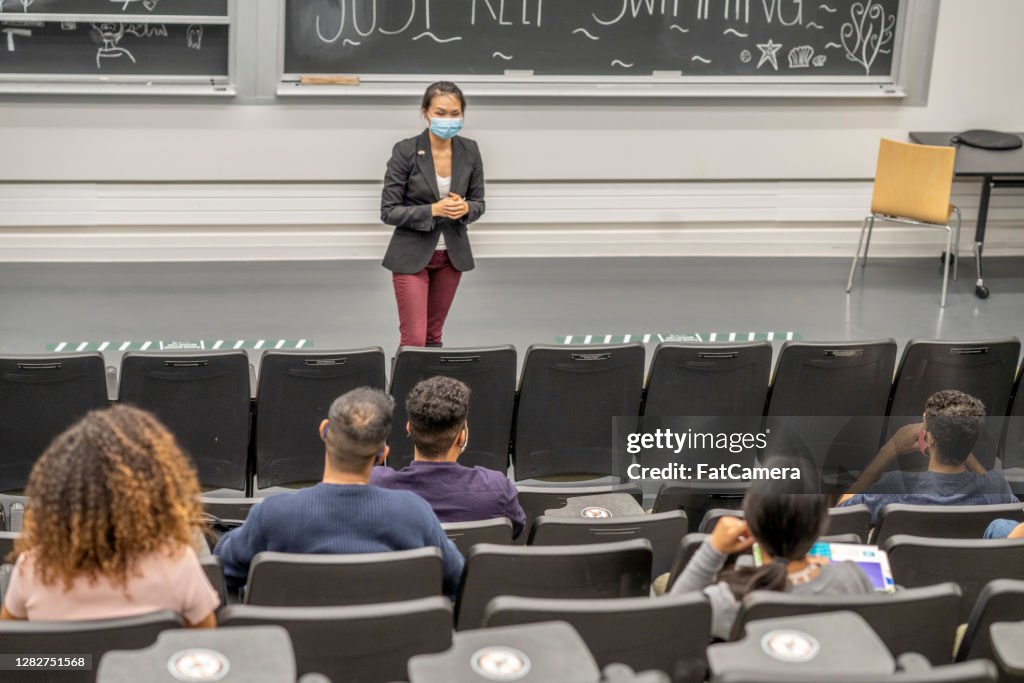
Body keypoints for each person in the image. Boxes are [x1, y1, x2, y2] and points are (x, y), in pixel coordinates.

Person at [214, 387, 464, 599]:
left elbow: (223, 567)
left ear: (324, 431)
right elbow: (457, 580)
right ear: (382, 455)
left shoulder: (273, 515)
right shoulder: (414, 513)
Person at [1, 406, 218, 626]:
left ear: (60, 496)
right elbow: (204, 648)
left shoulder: (32, 569)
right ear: (156, 490)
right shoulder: (179, 565)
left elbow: (10, 647)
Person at [670, 477, 873, 640]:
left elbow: (669, 621)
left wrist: (713, 549)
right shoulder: (852, 578)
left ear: (750, 522)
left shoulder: (728, 598)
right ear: (821, 525)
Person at [381, 80, 485, 348]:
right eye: (440, 113)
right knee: (414, 339)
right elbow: (389, 211)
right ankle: (405, 391)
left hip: (451, 257)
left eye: (454, 113)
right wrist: (433, 210)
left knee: (433, 337)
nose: (448, 119)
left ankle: (432, 391)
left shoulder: (470, 150)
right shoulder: (405, 150)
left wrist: (466, 208)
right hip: (411, 257)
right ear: (425, 112)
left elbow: (478, 203)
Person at [371, 376, 526, 538]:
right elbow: (516, 531)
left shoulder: (376, 486)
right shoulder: (498, 488)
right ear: (462, 437)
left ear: (409, 429)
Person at [838, 390, 1017, 524]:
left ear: (929, 438)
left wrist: (888, 450)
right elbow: (1012, 510)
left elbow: (842, 512)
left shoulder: (896, 487)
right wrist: (961, 441)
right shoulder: (996, 488)